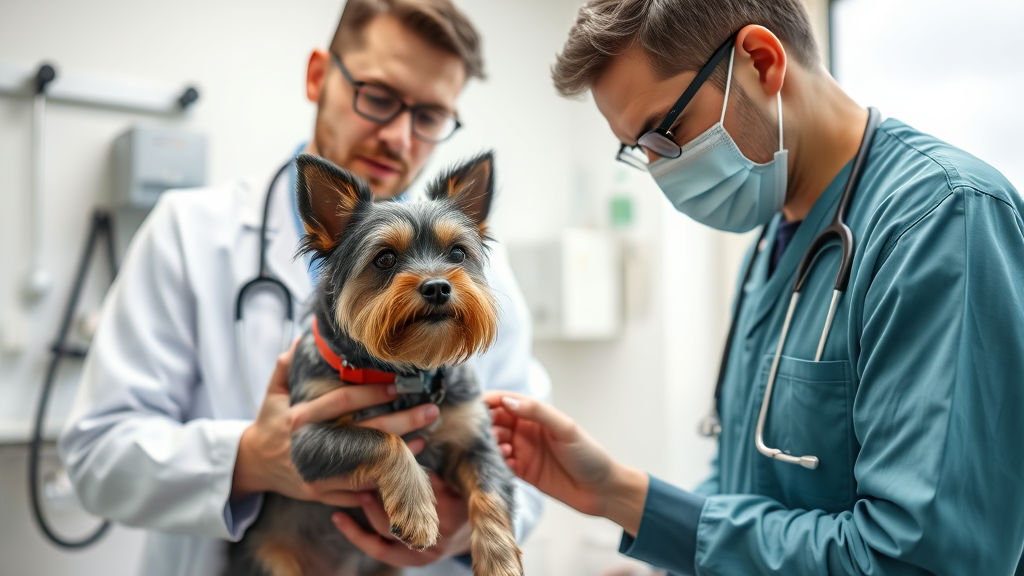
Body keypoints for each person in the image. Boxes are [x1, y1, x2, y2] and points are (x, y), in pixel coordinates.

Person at [485, 1, 1024, 575]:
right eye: (638, 152)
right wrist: (658, 552)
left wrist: (636, 500)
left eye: (665, 135)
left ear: (762, 64)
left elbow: (918, 559)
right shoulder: (773, 245)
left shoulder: (942, 220)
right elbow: (749, 479)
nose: (661, 171)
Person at [58, 1, 549, 575]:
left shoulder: (470, 272)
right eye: (379, 97)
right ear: (319, 75)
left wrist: (464, 527)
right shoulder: (188, 233)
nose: (398, 137)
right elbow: (95, 457)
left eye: (430, 116)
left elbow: (524, 457)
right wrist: (247, 460)